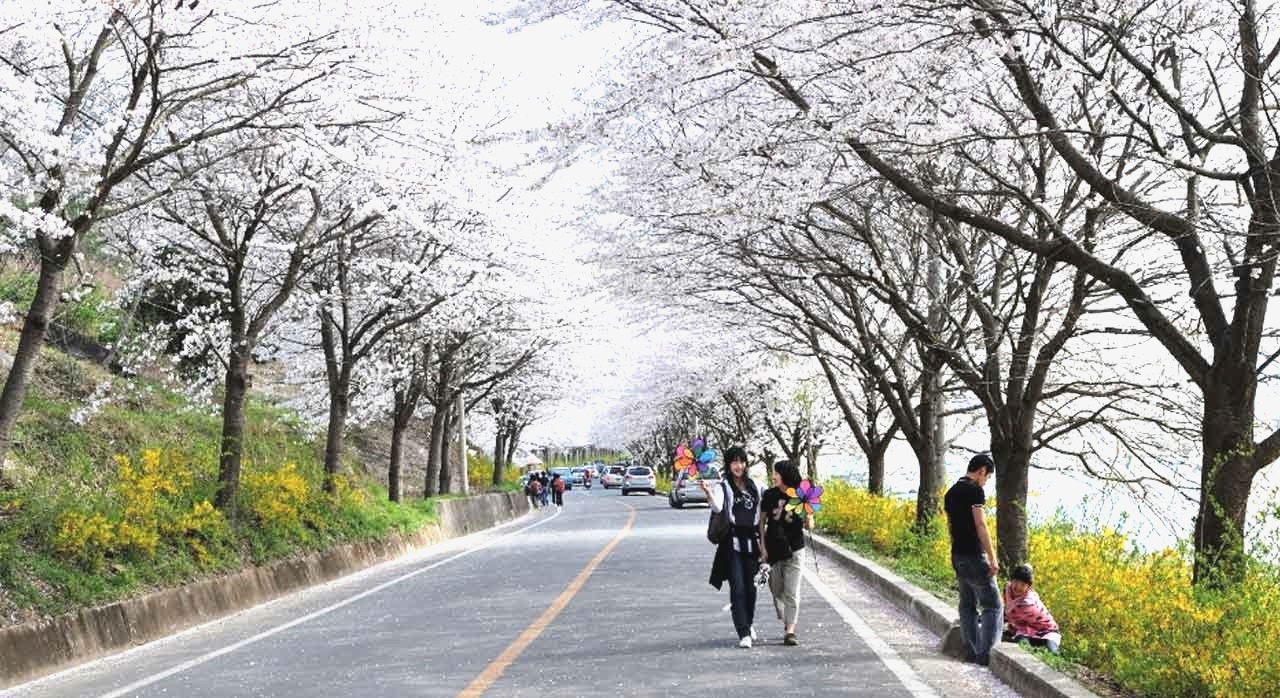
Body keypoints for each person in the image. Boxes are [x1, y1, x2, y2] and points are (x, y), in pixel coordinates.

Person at [943, 453, 1001, 666]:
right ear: (982, 471)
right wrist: (993, 558)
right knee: (992, 606)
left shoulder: (950, 493)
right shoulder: (975, 491)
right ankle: (986, 656)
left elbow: (950, 527)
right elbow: (981, 525)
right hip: (975, 555)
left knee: (966, 605)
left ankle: (971, 651)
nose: (986, 481)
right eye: (987, 477)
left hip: (957, 555)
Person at [700, 446, 761, 648]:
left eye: (742, 461)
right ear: (728, 464)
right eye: (734, 462)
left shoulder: (756, 486)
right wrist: (709, 494)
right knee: (738, 587)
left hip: (752, 543)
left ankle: (749, 623)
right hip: (732, 544)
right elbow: (718, 507)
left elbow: (765, 508)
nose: (739, 466)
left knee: (751, 589)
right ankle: (743, 632)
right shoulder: (723, 486)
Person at [759, 460, 810, 646]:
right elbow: (761, 523)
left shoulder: (800, 496)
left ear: (785, 475)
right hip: (773, 550)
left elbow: (810, 524)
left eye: (776, 473)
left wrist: (809, 516)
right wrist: (762, 547)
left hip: (795, 549)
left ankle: (790, 631)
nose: (773, 477)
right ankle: (785, 615)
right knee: (776, 588)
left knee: (792, 591)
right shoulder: (770, 495)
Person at [1002, 564, 1061, 654]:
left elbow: (1009, 615)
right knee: (1022, 646)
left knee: (1052, 651)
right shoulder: (1007, 589)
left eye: (1023, 584)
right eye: (1016, 581)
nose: (1018, 587)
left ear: (1028, 587)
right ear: (1011, 580)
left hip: (1047, 630)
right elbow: (1006, 610)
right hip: (1025, 630)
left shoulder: (1028, 602)